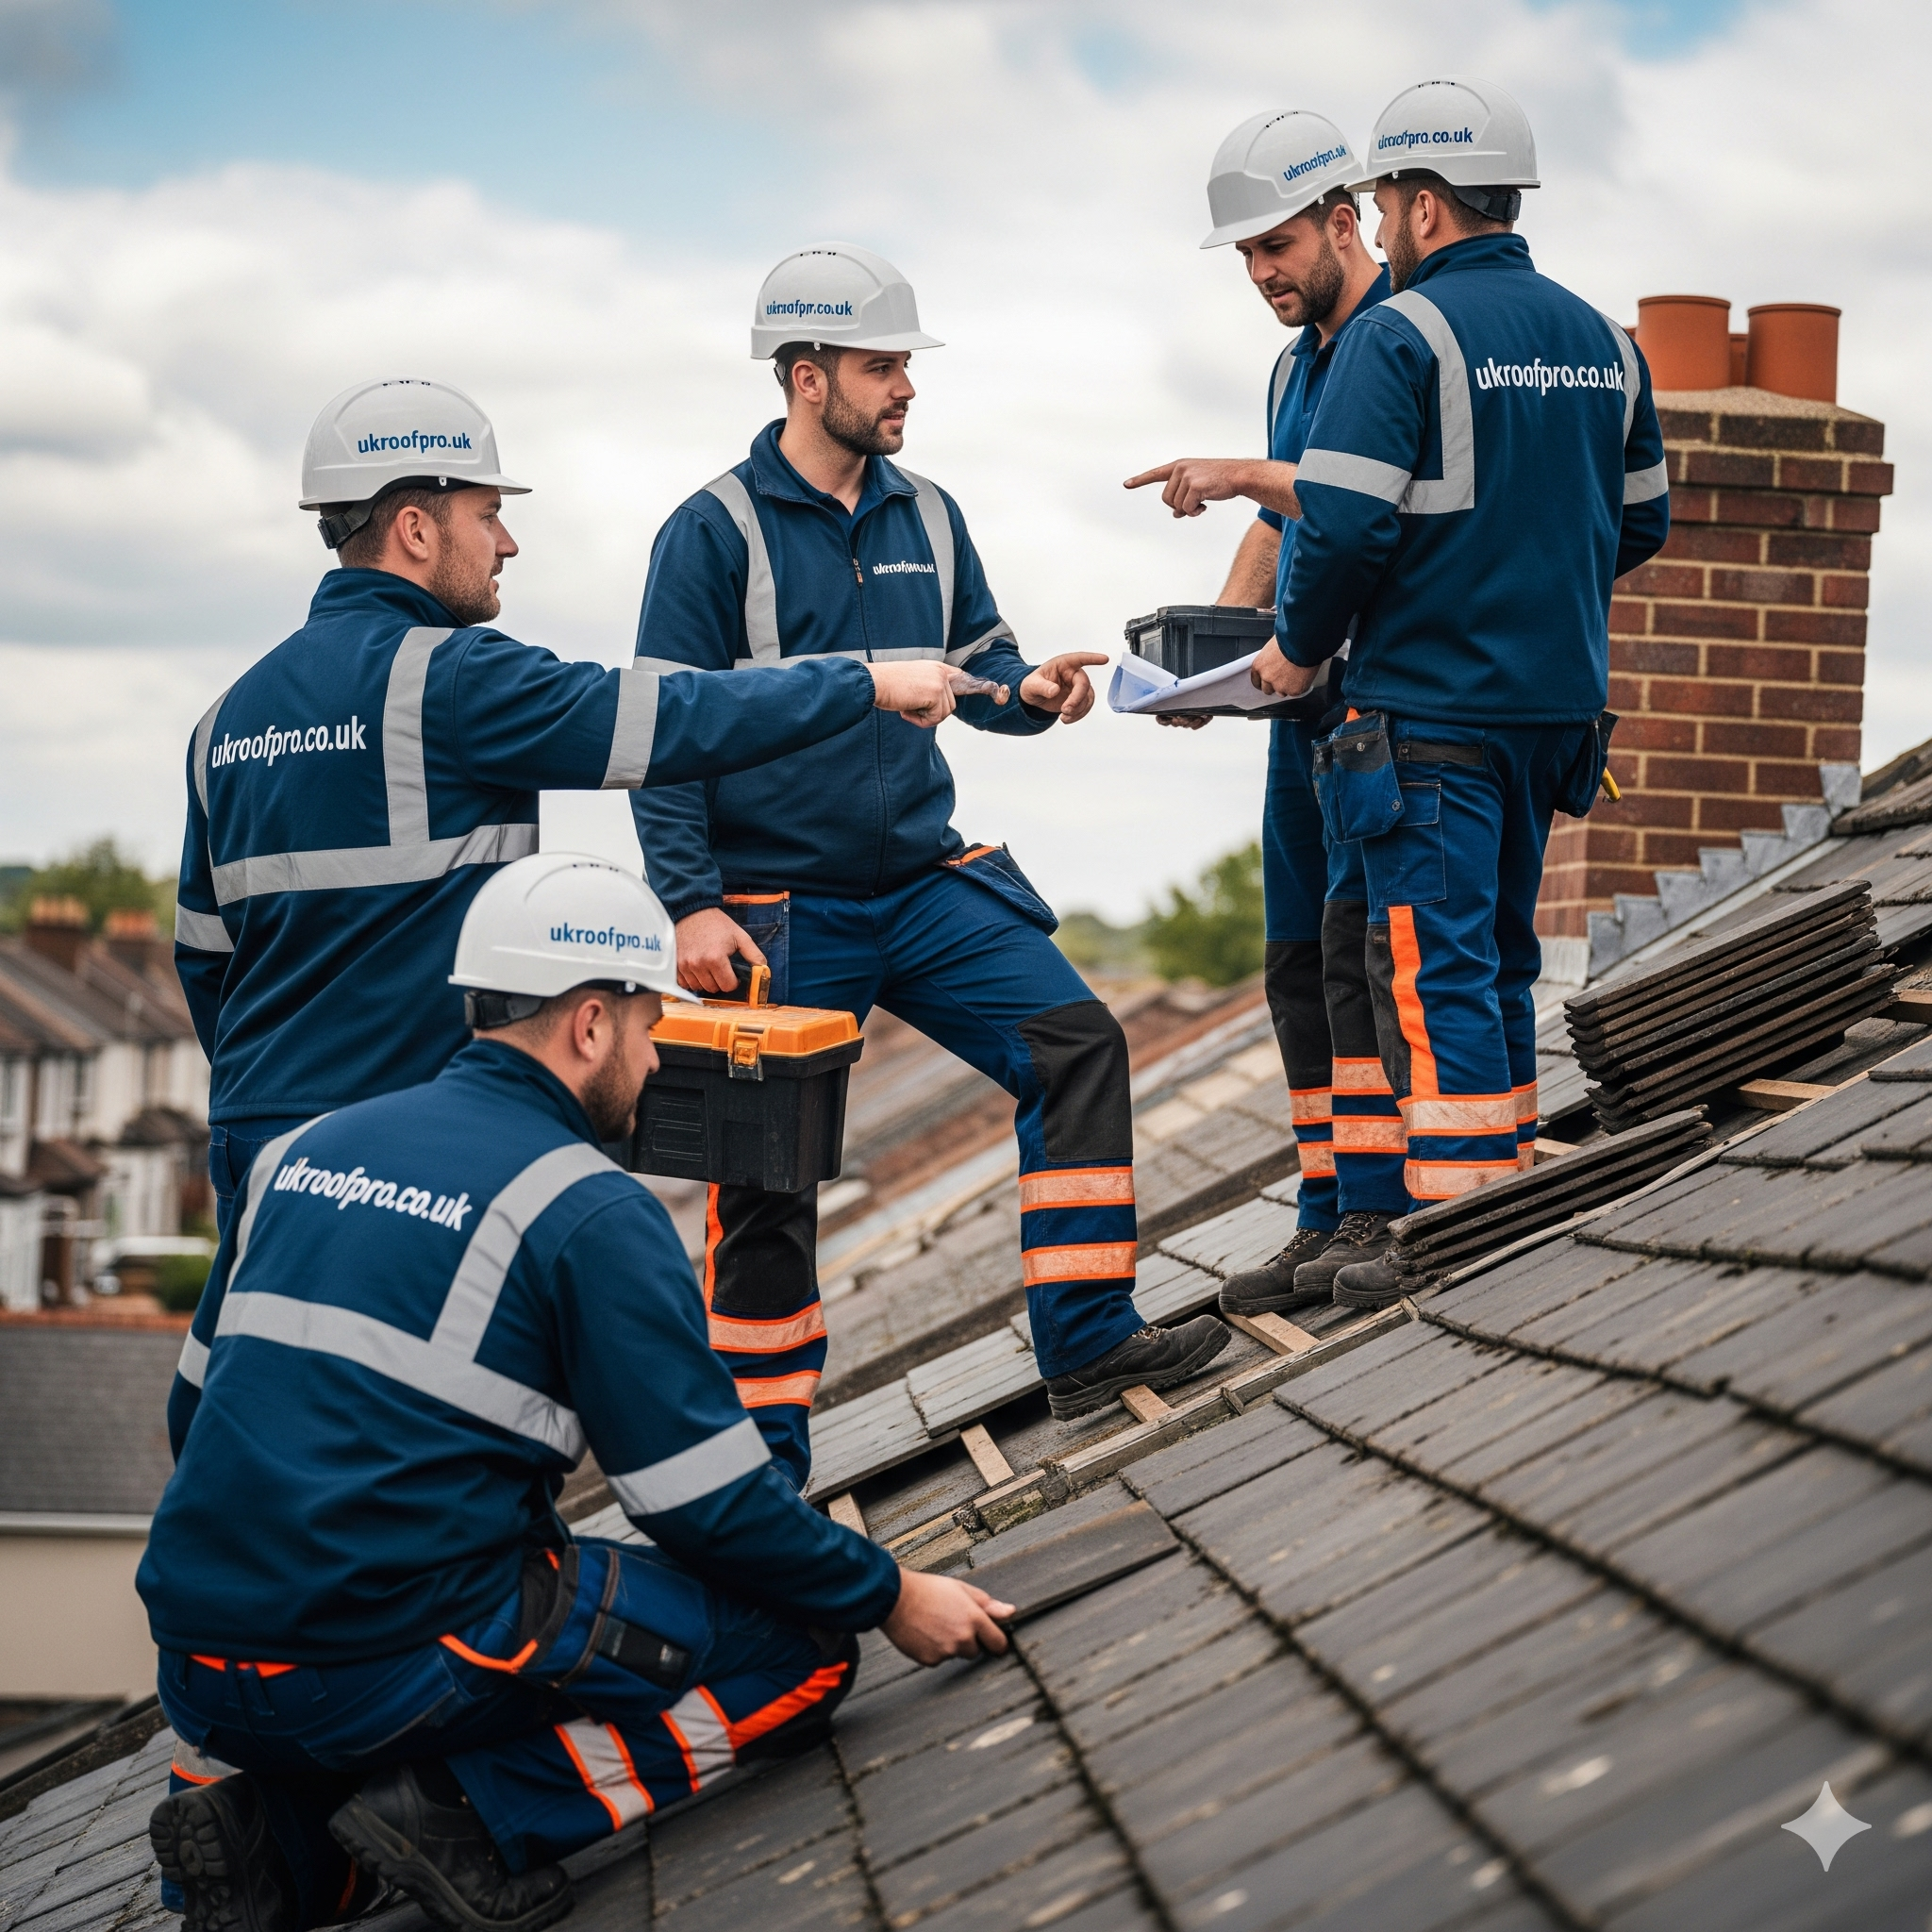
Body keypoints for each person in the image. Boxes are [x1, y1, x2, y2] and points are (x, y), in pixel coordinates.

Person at [142, 855, 1012, 1932]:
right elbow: (706, 1508)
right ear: (590, 1023)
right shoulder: (584, 1206)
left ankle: (281, 1852)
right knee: (801, 1650)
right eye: (652, 1027)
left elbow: (194, 1418)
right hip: (381, 1660)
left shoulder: (298, 1154)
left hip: (200, 1668)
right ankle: (467, 1808)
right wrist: (888, 1593)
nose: (657, 1061)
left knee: (469, 1617)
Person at [630, 243, 1230, 1462]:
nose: (905, 387)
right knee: (767, 1184)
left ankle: (1088, 1342)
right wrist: (691, 905)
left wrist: (1033, 691)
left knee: (1075, 1045)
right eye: (881, 365)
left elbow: (981, 665)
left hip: (919, 886)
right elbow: (659, 734)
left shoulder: (930, 512)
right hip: (773, 909)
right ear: (806, 376)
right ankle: (761, 1454)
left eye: (905, 363)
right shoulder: (708, 535)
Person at [174, 376, 961, 1239]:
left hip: (261, 1137)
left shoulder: (226, 722)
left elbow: (206, 961)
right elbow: (673, 719)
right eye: (486, 515)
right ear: (414, 530)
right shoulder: (455, 677)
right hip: (409, 1141)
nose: (507, 543)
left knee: (269, 1361)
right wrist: (866, 683)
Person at [1253, 78, 1670, 1305]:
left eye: (1386, 206)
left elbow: (1334, 532)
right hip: (1554, 712)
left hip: (1430, 715)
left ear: (1425, 205)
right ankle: (1510, 1207)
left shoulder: (1403, 336)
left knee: (1427, 974)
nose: (1382, 231)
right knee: (1496, 956)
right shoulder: (1609, 342)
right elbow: (1639, 525)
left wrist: (1292, 651)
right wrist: (1523, 578)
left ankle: (1464, 1234)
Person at [1124, 111, 1411, 1315]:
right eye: (1243, 256)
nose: (1261, 274)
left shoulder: (1398, 344)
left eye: (1276, 245)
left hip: (1372, 706)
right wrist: (1221, 658)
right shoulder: (1296, 365)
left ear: (1344, 222)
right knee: (1295, 964)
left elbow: (1351, 503)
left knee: (1362, 960)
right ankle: (1321, 1204)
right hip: (1295, 710)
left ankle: (1383, 1201)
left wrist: (1246, 479)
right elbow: (1277, 519)